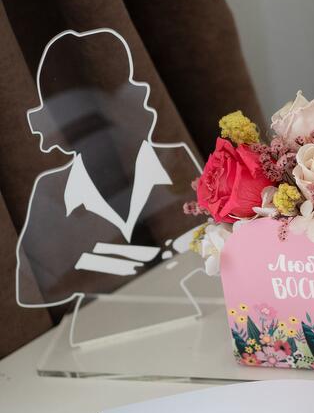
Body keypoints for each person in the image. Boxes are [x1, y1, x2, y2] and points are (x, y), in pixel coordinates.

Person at [16, 29, 204, 315]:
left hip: (193, 308)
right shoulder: (49, 192)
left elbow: (220, 238)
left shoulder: (175, 159)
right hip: (108, 324)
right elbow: (30, 294)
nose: (96, 142)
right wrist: (98, 272)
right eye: (80, 131)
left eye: (100, 124)